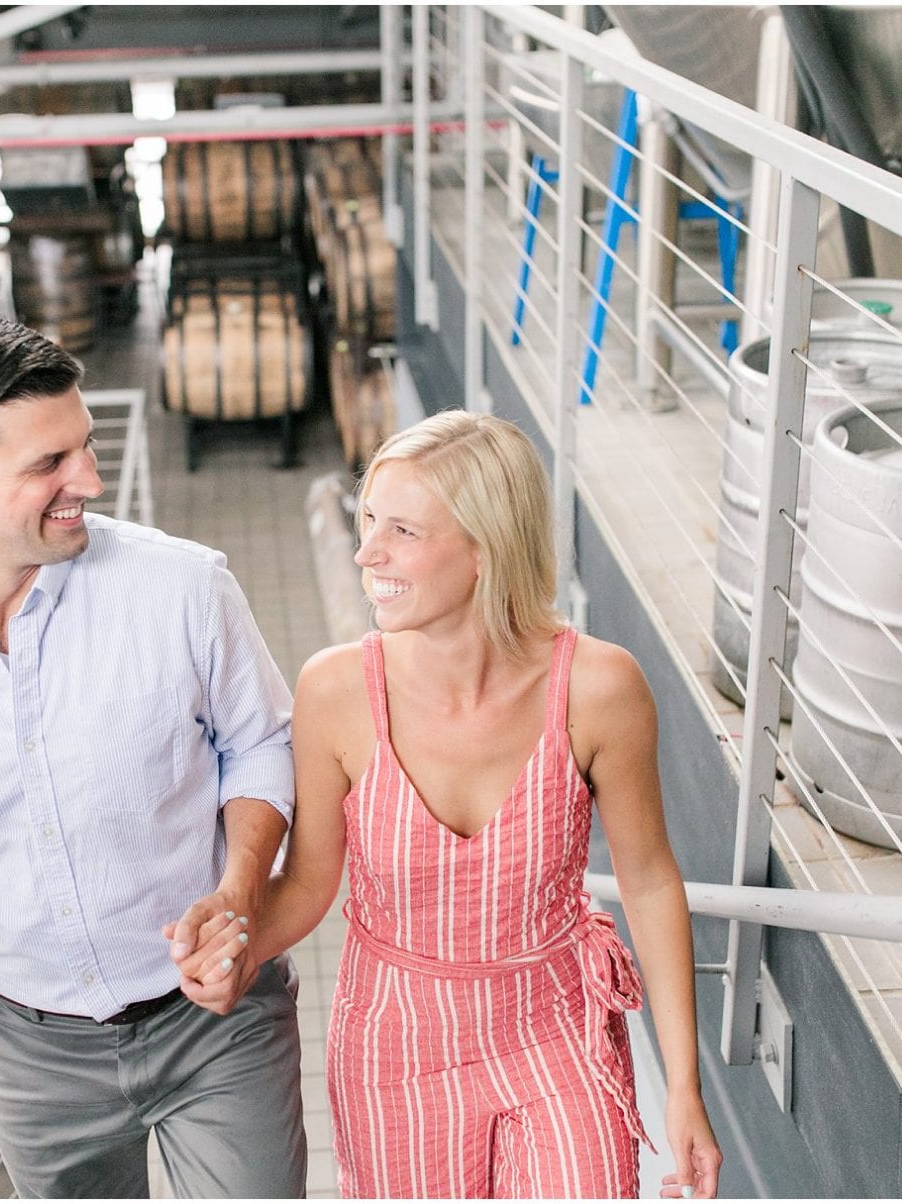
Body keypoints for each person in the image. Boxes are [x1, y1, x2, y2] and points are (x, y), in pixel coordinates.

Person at [0, 311, 306, 1198]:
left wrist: (237, 899)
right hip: (25, 1049)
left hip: (216, 1021)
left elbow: (261, 742)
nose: (91, 477)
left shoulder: (183, 587)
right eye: (49, 464)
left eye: (83, 445)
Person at [178, 411, 723, 1199]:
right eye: (369, 521)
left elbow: (647, 881)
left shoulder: (601, 689)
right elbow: (308, 886)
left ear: (484, 548)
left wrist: (683, 1087)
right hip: (395, 1051)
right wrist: (234, 947)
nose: (368, 554)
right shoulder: (336, 692)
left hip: (555, 1032)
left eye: (401, 530)